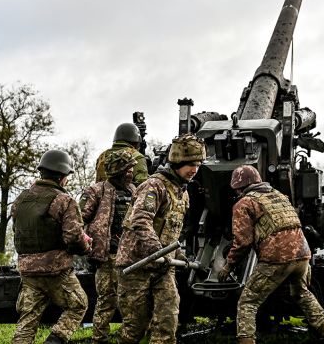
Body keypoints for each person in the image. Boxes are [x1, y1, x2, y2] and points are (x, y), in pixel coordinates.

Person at [218, 165, 324, 344]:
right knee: (302, 294)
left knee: (248, 302)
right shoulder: (280, 196)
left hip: (276, 258)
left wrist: (227, 267)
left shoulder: (244, 203)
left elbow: (242, 242)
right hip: (302, 254)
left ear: (238, 187)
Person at [115, 133, 206, 344]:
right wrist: (158, 250)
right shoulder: (154, 186)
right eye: (190, 164)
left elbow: (173, 230)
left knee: (167, 321)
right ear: (176, 162)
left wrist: (179, 255)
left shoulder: (182, 192)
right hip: (137, 265)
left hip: (163, 267)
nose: (195, 170)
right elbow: (140, 220)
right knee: (134, 328)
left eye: (198, 165)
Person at [11, 149, 92, 344]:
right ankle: (54, 341)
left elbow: (19, 230)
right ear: (62, 176)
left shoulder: (20, 200)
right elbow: (73, 238)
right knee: (79, 304)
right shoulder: (64, 201)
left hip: (28, 271)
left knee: (27, 321)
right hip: (56, 271)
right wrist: (86, 246)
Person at [79, 150, 137, 344]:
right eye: (128, 168)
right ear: (118, 170)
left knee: (130, 301)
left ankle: (127, 339)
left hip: (129, 257)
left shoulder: (134, 191)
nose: (131, 172)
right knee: (106, 300)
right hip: (106, 257)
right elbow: (79, 220)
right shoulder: (97, 191)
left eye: (132, 168)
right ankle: (99, 339)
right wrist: (85, 244)